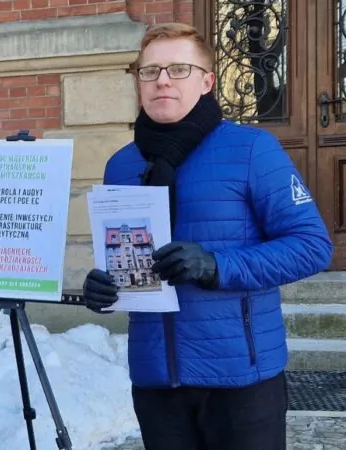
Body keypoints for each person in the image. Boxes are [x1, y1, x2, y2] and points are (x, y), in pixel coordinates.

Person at [81, 23, 333, 450]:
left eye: (179, 68)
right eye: (150, 71)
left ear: (207, 81)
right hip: (157, 378)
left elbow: (311, 246)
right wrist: (104, 287)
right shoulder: (121, 165)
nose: (162, 80)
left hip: (240, 379)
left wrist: (216, 266)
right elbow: (125, 256)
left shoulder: (252, 149)